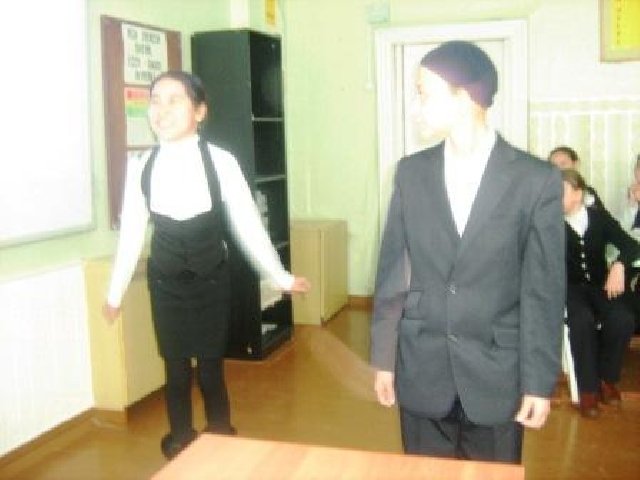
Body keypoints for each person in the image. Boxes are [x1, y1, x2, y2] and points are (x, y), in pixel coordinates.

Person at [370, 40, 565, 464]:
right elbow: (393, 273)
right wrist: (384, 357)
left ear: (464, 98)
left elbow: (543, 292)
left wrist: (538, 382)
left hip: (497, 373)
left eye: (424, 93)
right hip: (422, 367)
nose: (416, 107)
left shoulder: (535, 180)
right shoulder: (411, 173)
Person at [103, 71, 309, 459]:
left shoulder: (221, 162)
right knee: (176, 370)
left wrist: (280, 277)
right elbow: (131, 235)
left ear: (199, 112)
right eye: (155, 101)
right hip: (165, 284)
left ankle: (220, 437)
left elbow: (248, 225)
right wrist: (114, 294)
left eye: (174, 100)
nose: (161, 110)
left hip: (211, 280)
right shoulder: (142, 166)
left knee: (211, 368)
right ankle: (180, 440)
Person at [561, 169, 638, 418]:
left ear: (578, 194)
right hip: (569, 289)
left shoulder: (598, 218)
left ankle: (607, 379)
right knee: (581, 320)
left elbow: (631, 245)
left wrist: (619, 265)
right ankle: (588, 390)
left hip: (599, 286)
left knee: (623, 318)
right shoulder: (548, 222)